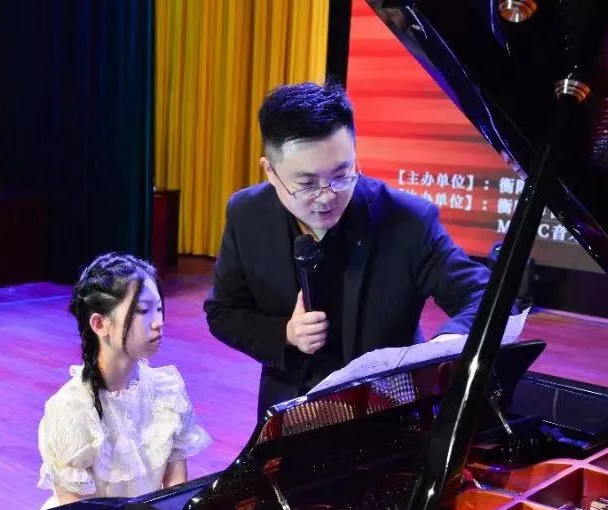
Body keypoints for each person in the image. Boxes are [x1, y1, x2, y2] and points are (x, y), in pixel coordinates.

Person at [203, 82, 490, 418]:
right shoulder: (247, 214)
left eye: (341, 175)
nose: (326, 196)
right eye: (307, 184)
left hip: (388, 412)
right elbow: (223, 313)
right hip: (289, 412)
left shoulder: (409, 221)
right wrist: (286, 334)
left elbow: (483, 296)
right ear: (270, 171)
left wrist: (440, 350)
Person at [38, 252, 211, 510]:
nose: (158, 322)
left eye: (159, 309)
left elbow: (174, 493)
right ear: (99, 323)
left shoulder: (166, 390)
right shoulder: (70, 409)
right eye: (143, 311)